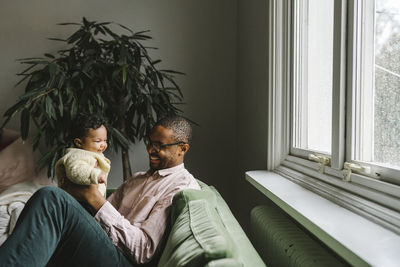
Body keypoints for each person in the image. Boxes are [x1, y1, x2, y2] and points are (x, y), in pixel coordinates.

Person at [0, 116, 200, 266]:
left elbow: (143, 251)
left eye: (159, 146)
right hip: (103, 245)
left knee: (52, 197)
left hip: (124, 260)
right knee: (50, 201)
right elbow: (99, 217)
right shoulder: (137, 179)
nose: (150, 150)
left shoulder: (180, 186)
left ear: (183, 149)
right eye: (150, 143)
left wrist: (93, 198)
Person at [55, 113, 110, 198]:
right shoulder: (75, 155)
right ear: (79, 143)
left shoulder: (95, 155)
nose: (103, 145)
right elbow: (76, 171)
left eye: (105, 140)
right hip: (77, 201)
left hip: (93, 200)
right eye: (98, 141)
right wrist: (95, 174)